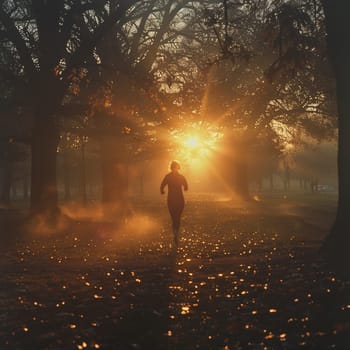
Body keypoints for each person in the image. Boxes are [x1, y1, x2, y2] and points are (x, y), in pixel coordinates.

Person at [160, 160, 188, 246]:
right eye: (175, 167)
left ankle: (175, 232)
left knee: (175, 217)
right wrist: (185, 187)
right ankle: (176, 232)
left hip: (172, 199)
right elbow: (186, 186)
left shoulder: (168, 176)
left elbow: (162, 186)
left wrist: (162, 191)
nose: (175, 169)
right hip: (178, 199)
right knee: (176, 217)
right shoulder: (181, 177)